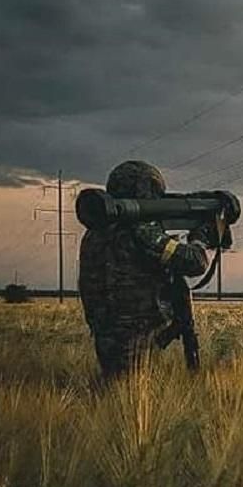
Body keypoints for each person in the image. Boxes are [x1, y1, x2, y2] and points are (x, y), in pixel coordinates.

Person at [78, 160, 216, 378]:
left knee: (116, 382)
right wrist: (199, 239)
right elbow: (195, 263)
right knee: (131, 390)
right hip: (137, 334)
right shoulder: (139, 230)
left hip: (105, 331)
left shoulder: (94, 232)